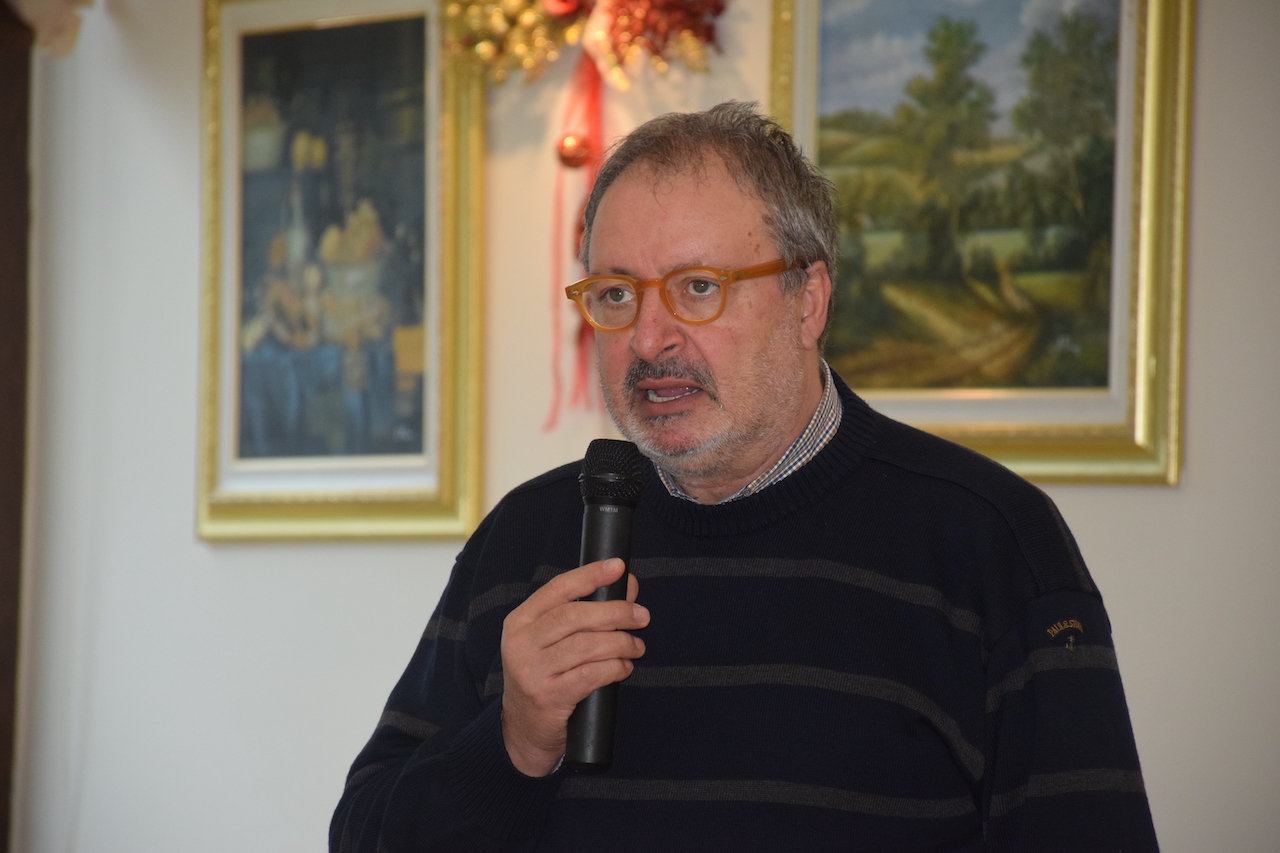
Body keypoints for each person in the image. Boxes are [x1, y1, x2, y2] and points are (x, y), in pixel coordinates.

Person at [331, 102, 1158, 852]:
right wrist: (511, 743)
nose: (649, 338)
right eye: (615, 294)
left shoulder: (990, 542)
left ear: (808, 302)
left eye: (698, 288)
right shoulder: (526, 540)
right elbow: (362, 835)